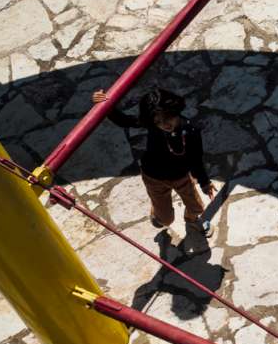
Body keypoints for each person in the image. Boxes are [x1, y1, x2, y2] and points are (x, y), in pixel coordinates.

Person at [91, 86, 216, 236]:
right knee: (165, 220)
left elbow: (196, 159)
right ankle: (157, 210)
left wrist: (204, 182)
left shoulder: (190, 132)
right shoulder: (152, 125)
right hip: (154, 178)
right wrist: (106, 105)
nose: (165, 124)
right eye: (159, 121)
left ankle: (192, 220)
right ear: (152, 120)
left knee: (196, 207)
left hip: (181, 177)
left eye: (168, 117)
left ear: (175, 110)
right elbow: (124, 120)